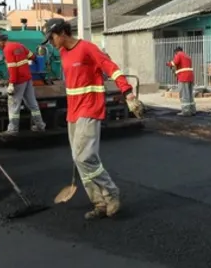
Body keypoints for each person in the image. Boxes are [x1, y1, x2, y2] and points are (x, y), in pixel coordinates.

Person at [40, 18, 143, 220]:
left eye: (51, 38)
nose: (50, 43)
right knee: (78, 160)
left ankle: (111, 192)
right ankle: (99, 203)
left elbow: (111, 67)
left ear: (62, 33)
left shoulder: (87, 48)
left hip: (90, 108)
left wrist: (128, 92)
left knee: (84, 157)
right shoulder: (62, 52)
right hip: (73, 112)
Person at [0, 33, 46, 133]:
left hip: (18, 81)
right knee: (33, 104)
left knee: (13, 105)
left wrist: (11, 84)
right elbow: (32, 56)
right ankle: (40, 125)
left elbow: (12, 68)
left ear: (1, 41)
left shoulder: (7, 50)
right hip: (28, 79)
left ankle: (12, 129)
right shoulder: (20, 45)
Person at [167, 46, 196, 116]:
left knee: (184, 95)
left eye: (175, 54)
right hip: (190, 77)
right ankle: (192, 110)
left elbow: (174, 63)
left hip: (183, 78)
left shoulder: (179, 55)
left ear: (176, 52)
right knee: (190, 95)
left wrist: (168, 64)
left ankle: (186, 112)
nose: (175, 56)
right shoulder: (187, 56)